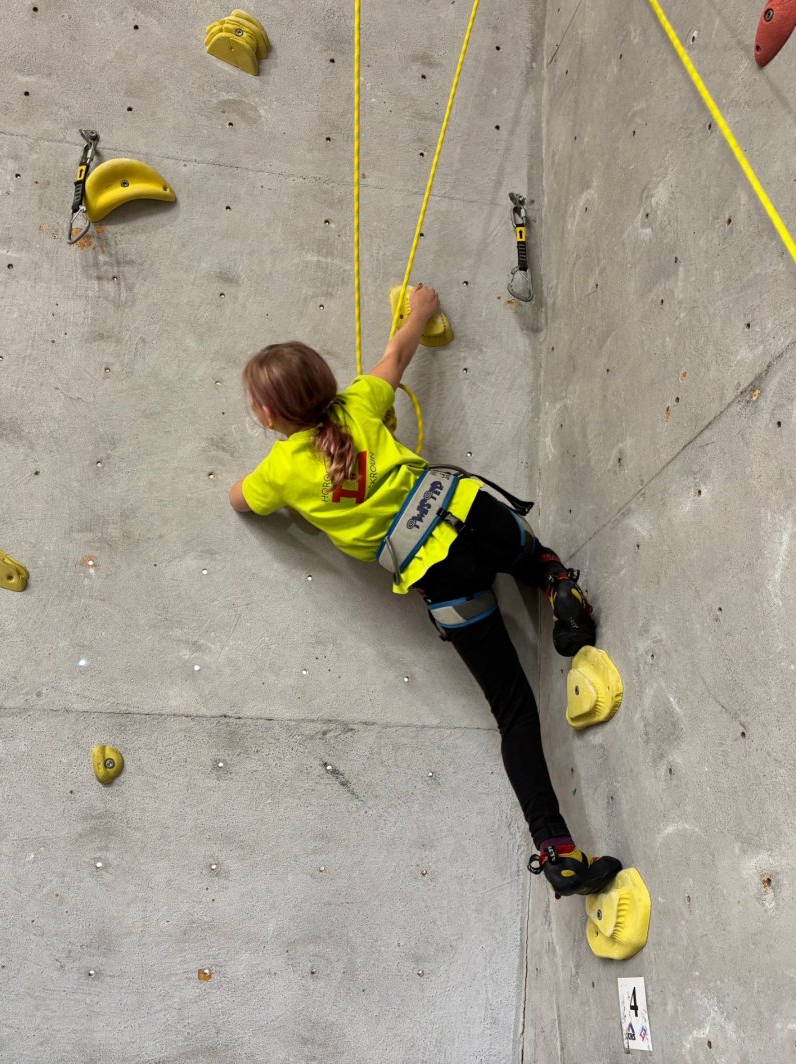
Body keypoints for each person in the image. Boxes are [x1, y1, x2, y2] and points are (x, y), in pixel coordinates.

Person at [228, 283, 620, 898]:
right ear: (327, 382)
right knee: (522, 550)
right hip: (469, 513)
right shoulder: (360, 400)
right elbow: (400, 352)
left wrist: (277, 479)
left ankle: (557, 850)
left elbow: (239, 502)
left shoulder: (278, 473)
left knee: (514, 709)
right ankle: (554, 580)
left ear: (268, 415)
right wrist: (420, 311)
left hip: (436, 574)